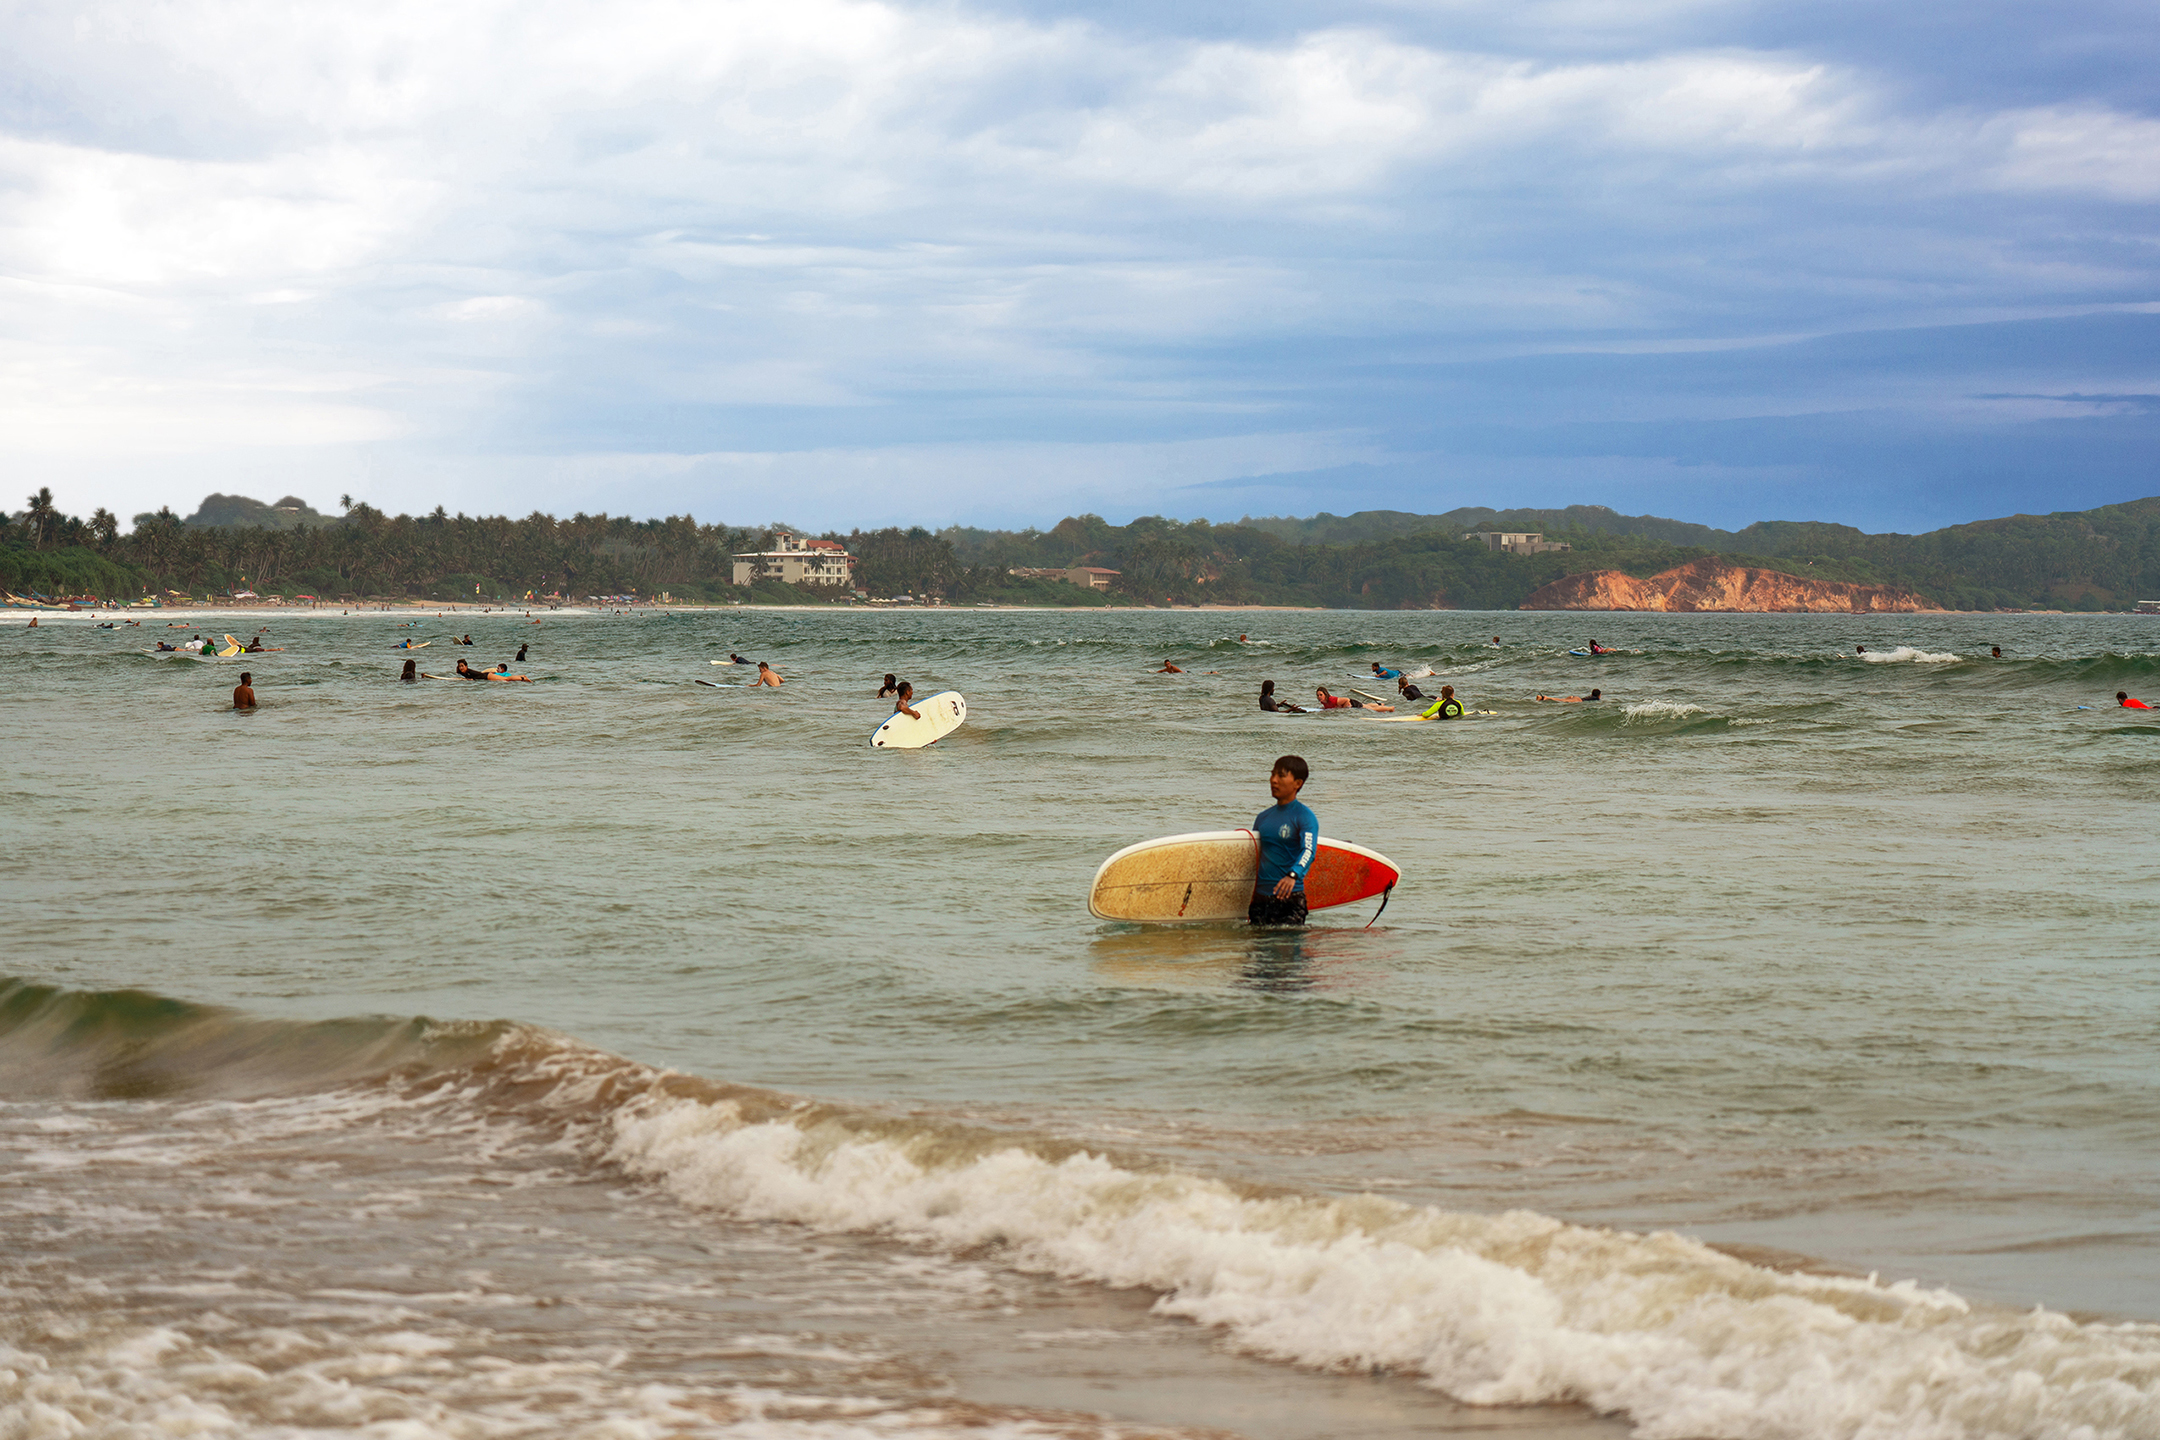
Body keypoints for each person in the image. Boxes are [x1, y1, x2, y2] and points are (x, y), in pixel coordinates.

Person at [1249, 755, 1316, 927]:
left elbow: (1308, 850)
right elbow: (1254, 856)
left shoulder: (1304, 817)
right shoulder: (1262, 818)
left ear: (1298, 783)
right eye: (1272, 774)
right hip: (1260, 899)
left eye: (1281, 775)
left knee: (1288, 950)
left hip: (1290, 898)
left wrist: (1292, 875)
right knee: (1258, 951)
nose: (1273, 780)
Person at [1534, 689, 1602, 702]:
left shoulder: (1591, 697)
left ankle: (1542, 698)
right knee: (1560, 700)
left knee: (1561, 700)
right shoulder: (1597, 699)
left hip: (1575, 697)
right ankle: (1545, 697)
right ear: (1599, 695)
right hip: (1578, 700)